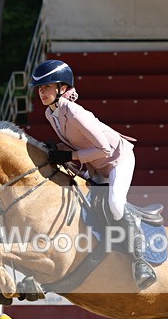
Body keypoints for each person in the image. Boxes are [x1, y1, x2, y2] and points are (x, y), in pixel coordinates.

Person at [28, 59, 156, 290]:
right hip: (96, 166)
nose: (42, 92)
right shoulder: (51, 113)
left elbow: (105, 149)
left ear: (62, 88)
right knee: (84, 203)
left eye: (47, 87)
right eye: (40, 88)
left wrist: (70, 157)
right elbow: (75, 144)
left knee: (116, 205)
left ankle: (141, 261)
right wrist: (58, 150)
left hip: (118, 160)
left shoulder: (76, 113)